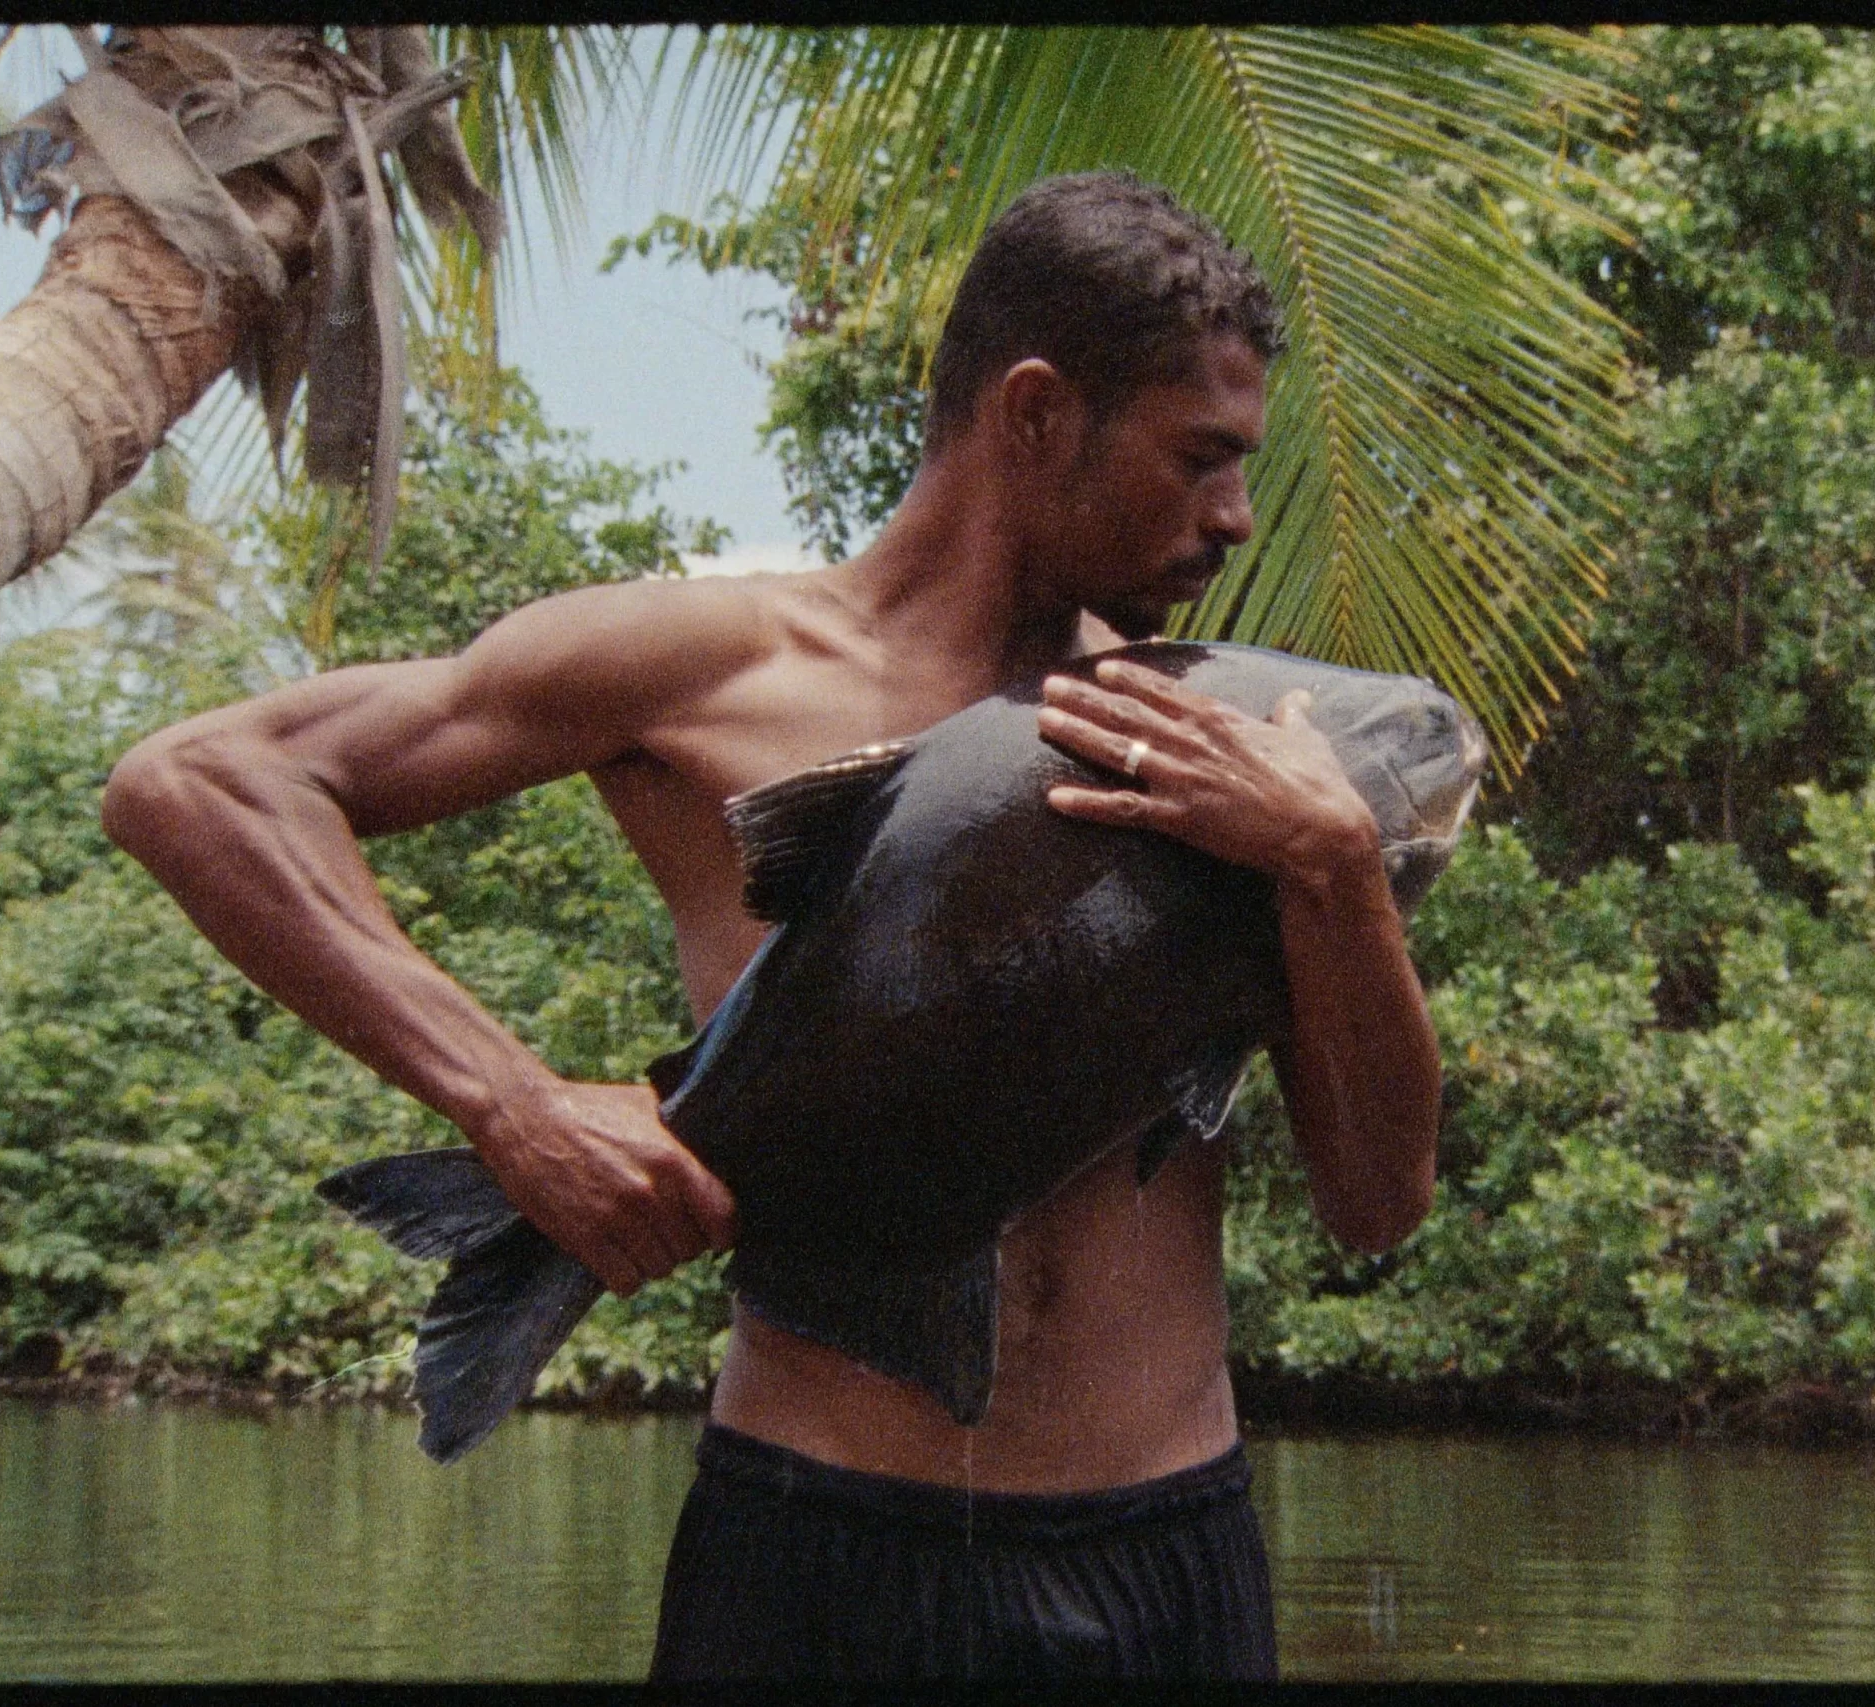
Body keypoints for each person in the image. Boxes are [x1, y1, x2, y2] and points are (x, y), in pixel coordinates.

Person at [99, 170, 1442, 1680]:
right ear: (1039, 411)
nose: (1236, 517)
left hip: (1162, 1548)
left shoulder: (1227, 739)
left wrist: (1330, 864)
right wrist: (513, 1099)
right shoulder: (707, 667)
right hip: (815, 1542)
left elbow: (1379, 1202)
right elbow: (197, 783)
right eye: (1201, 458)